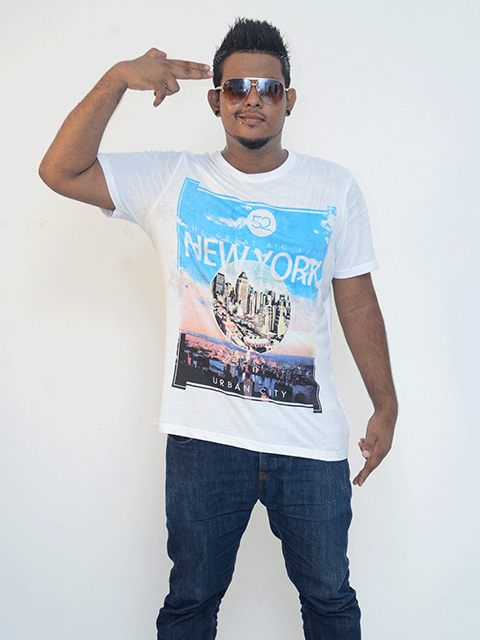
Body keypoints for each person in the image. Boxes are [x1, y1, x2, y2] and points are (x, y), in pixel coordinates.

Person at [39, 17, 397, 640]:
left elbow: (359, 303)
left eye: (268, 87)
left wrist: (386, 404)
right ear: (215, 100)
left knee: (331, 602)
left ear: (289, 99)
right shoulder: (172, 181)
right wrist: (117, 78)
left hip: (308, 446)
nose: (252, 98)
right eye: (236, 87)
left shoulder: (333, 187)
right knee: (190, 604)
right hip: (204, 443)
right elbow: (60, 170)